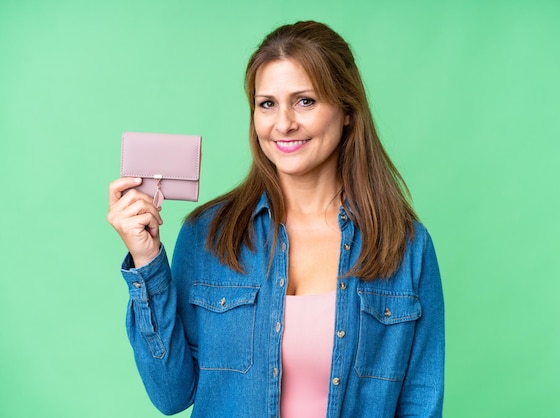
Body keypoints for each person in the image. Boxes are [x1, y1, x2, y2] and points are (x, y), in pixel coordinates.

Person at [107, 20, 444, 417]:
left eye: (305, 101)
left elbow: (421, 404)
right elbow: (172, 394)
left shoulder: (403, 245)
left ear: (347, 110)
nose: (283, 123)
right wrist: (147, 262)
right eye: (267, 104)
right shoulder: (208, 236)